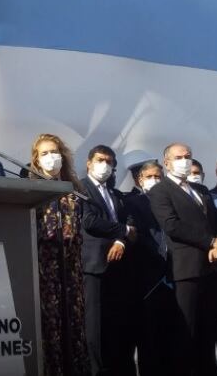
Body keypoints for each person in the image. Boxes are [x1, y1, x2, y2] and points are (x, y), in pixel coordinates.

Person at [148, 143, 217, 376]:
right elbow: (171, 225)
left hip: (211, 269)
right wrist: (209, 242)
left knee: (207, 330)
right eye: (179, 157)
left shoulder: (200, 190)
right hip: (185, 271)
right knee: (185, 332)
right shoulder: (161, 191)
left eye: (188, 156)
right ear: (167, 162)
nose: (185, 161)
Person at [29, 134, 89, 376]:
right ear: (35, 160)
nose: (51, 157)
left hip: (71, 270)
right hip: (45, 270)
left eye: (54, 152)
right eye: (44, 153)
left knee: (73, 327)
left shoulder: (75, 191)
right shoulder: (31, 189)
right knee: (50, 329)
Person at [80, 145, 137, 376]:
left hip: (118, 265)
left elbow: (130, 220)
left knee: (116, 322)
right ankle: (96, 370)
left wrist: (121, 240)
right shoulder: (82, 188)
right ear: (89, 162)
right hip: (94, 265)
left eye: (109, 162)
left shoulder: (114, 192)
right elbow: (89, 221)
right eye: (100, 160)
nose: (105, 165)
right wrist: (123, 229)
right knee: (94, 325)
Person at [123, 161, 180, 376]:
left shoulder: (170, 200)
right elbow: (137, 234)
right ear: (140, 179)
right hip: (149, 277)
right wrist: (158, 255)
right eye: (150, 176)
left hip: (173, 272)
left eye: (159, 176)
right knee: (149, 334)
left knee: (171, 331)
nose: (155, 180)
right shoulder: (133, 202)